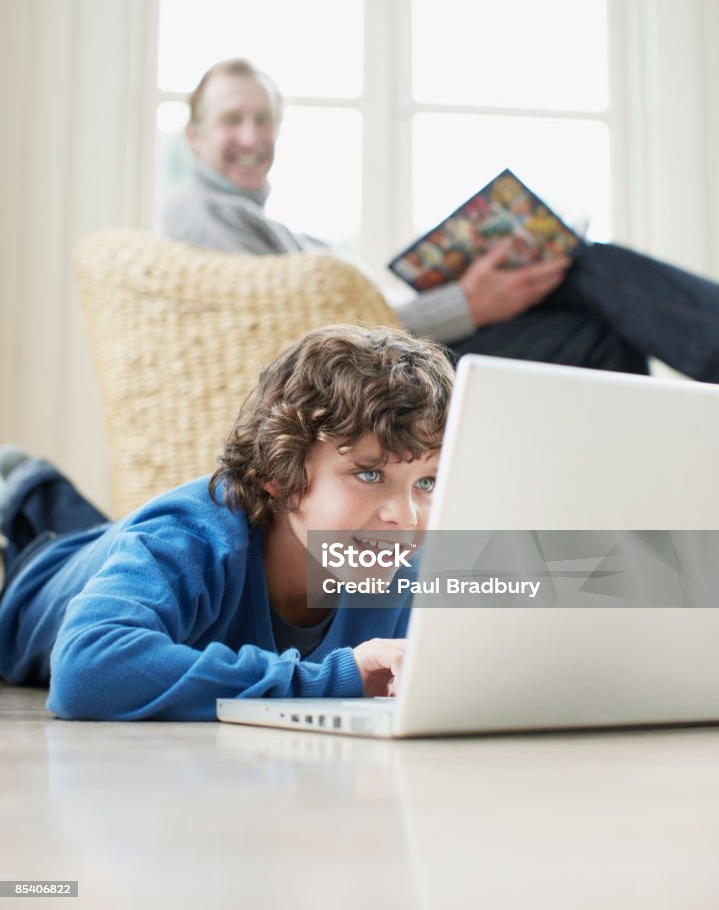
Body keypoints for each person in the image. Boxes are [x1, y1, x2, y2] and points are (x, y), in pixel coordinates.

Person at [163, 58, 719, 384]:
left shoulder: (270, 227)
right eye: (231, 120)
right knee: (582, 267)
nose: (252, 136)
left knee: (597, 334)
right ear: (194, 135)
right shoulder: (200, 213)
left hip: (395, 351)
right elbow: (309, 335)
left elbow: (335, 310)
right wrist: (466, 304)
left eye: (264, 119)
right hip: (373, 376)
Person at [0, 325, 454, 721]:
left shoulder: (397, 558)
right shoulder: (191, 535)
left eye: (427, 482)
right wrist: (325, 680)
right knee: (110, 539)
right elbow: (87, 672)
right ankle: (26, 487)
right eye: (369, 474)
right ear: (280, 476)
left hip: (134, 543)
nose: (405, 516)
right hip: (30, 586)